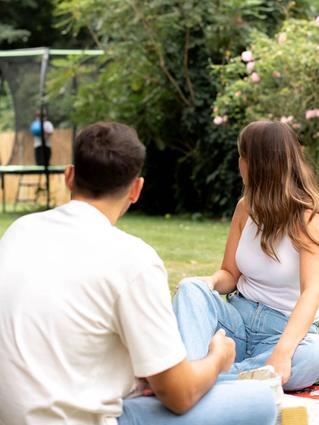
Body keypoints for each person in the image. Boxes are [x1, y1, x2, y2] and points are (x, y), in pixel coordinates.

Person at [0, 122, 276, 425]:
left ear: (69, 176)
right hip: (80, 418)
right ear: (136, 189)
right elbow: (179, 396)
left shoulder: (19, 232)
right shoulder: (133, 259)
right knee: (260, 399)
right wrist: (218, 358)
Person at [174, 120, 319, 394]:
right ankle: (206, 379)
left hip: (280, 332)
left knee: (314, 354)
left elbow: (312, 292)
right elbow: (229, 274)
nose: (238, 163)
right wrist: (209, 282)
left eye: (241, 156)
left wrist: (284, 352)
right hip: (236, 320)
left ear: (257, 162)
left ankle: (200, 379)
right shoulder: (245, 207)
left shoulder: (309, 217)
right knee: (191, 290)